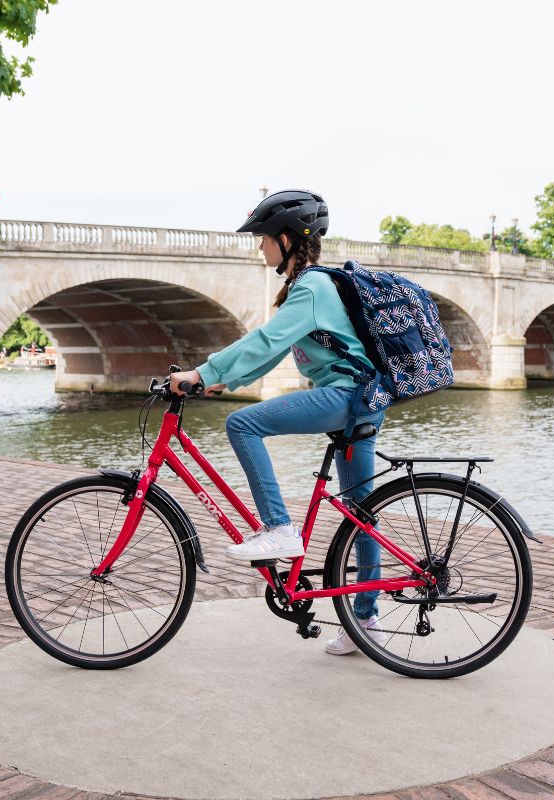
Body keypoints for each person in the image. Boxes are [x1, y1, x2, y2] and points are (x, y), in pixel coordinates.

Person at [169, 190, 387, 655]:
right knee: (361, 516)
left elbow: (266, 338)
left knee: (243, 426)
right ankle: (366, 619)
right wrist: (225, 380)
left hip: (346, 396)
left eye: (264, 239)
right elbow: (272, 353)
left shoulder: (312, 287)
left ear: (287, 239)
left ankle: (278, 529)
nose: (260, 248)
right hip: (362, 398)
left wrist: (204, 371)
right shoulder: (309, 288)